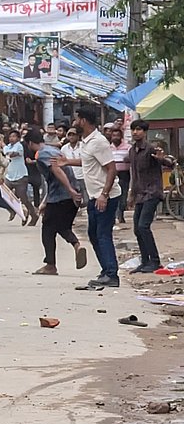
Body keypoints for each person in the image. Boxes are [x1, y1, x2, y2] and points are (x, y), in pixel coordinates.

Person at [73, 108, 121, 290]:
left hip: (105, 196)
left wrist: (104, 195)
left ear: (84, 121)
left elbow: (111, 168)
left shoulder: (99, 142)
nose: (75, 122)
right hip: (95, 196)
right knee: (94, 234)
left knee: (103, 234)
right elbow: (88, 162)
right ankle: (105, 271)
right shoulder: (86, 141)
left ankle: (111, 274)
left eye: (77, 119)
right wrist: (66, 162)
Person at [28, 130, 87, 276]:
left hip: (61, 196)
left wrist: (70, 190)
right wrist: (45, 201)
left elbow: (57, 171)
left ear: (29, 143)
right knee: (61, 226)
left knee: (48, 229)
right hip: (66, 196)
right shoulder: (54, 150)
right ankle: (76, 246)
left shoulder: (42, 154)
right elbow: (53, 180)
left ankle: (50, 265)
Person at [128, 120, 172, 274]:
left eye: (138, 129)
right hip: (140, 194)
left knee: (143, 226)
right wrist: (132, 194)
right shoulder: (132, 151)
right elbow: (134, 174)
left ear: (145, 132)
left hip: (152, 192)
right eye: (133, 129)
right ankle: (145, 261)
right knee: (137, 229)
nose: (135, 132)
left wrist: (162, 159)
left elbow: (168, 163)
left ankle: (154, 261)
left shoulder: (151, 148)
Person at [3, 129, 37, 225]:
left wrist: (4, 147)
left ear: (18, 138)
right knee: (5, 195)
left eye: (14, 136)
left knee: (23, 198)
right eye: (10, 136)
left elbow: (12, 154)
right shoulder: (9, 146)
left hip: (21, 176)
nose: (11, 138)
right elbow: (6, 152)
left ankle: (34, 215)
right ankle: (15, 210)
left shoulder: (19, 146)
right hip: (10, 175)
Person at [107, 123, 131, 225]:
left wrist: (126, 159)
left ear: (121, 137)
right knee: (113, 194)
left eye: (117, 135)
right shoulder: (108, 148)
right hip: (112, 174)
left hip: (124, 174)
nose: (115, 137)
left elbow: (132, 159)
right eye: (113, 136)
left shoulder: (128, 147)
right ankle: (115, 215)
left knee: (123, 194)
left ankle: (120, 213)